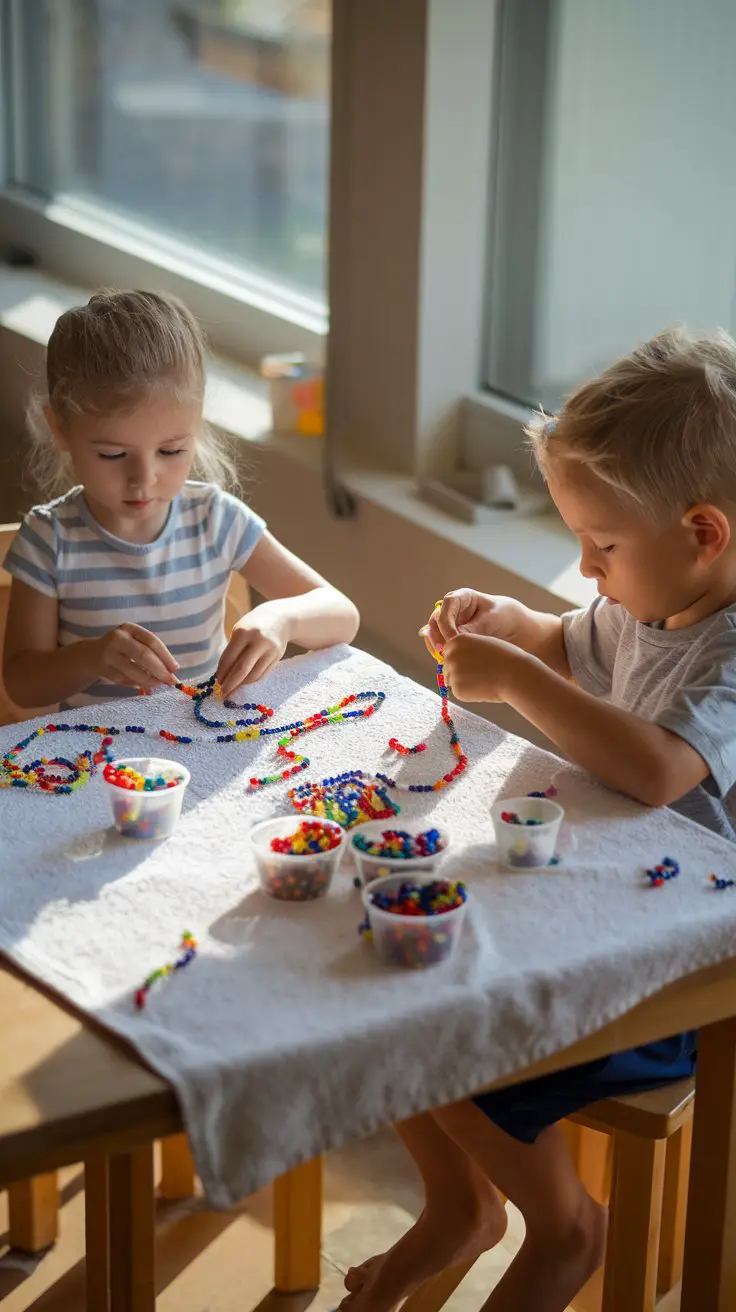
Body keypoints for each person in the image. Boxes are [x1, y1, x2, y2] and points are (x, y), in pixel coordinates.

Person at [341, 327, 736, 1312]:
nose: (586, 566)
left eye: (601, 546)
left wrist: (515, 680)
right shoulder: (653, 599)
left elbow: (653, 769)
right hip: (604, 914)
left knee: (454, 1017)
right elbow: (568, 641)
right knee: (397, 971)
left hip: (684, 983)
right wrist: (505, 625)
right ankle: (457, 1205)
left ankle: (560, 1232)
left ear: (702, 532)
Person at [2, 289, 359, 711]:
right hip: (97, 761)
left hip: (203, 740)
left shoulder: (215, 520)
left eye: (171, 451)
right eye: (113, 455)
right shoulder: (50, 540)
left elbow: (342, 615)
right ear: (60, 428)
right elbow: (23, 686)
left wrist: (281, 619)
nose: (144, 478)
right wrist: (91, 657)